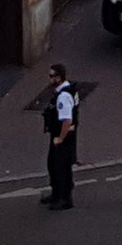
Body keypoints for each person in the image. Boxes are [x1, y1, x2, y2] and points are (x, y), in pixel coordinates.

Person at [41, 63, 78, 210]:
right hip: (61, 135)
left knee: (61, 167)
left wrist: (60, 138)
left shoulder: (63, 96)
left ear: (59, 77)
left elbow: (67, 120)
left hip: (62, 136)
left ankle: (65, 199)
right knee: (53, 164)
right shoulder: (66, 90)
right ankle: (56, 193)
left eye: (51, 76)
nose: (49, 79)